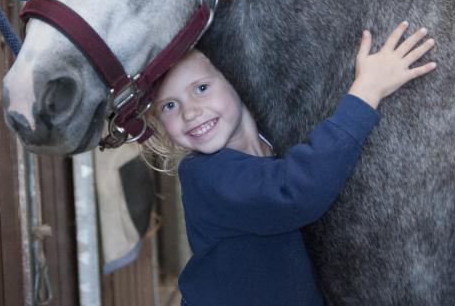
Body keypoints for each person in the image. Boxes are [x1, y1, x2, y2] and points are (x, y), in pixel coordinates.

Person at [142, 21, 437, 306]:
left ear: (236, 78)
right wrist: (365, 93)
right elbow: (297, 191)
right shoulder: (205, 176)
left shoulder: (272, 143)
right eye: (169, 105)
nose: (190, 112)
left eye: (201, 88)